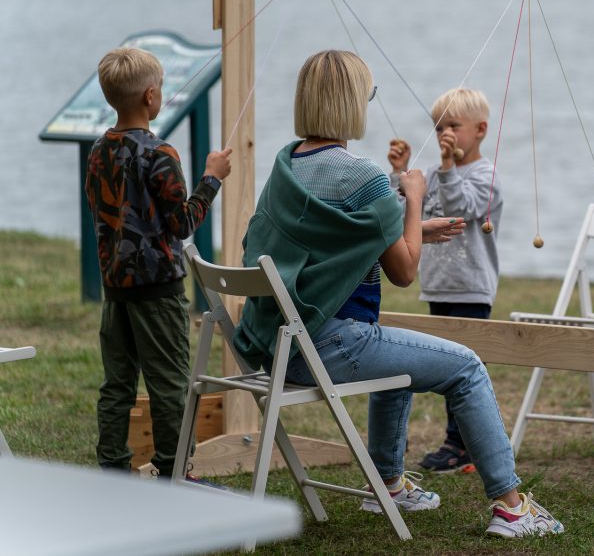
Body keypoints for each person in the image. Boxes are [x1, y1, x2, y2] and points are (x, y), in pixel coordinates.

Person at [231, 50, 562, 538]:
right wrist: (411, 197)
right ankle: (513, 509)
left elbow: (324, 238)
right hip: (332, 345)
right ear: (350, 103)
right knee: (467, 367)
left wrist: (411, 229)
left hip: (282, 347)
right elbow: (404, 271)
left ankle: (388, 484)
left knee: (401, 361)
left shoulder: (287, 165)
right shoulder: (363, 176)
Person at [85, 47, 232, 479]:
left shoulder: (97, 150)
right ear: (151, 96)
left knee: (117, 385)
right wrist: (211, 179)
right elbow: (183, 223)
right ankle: (174, 471)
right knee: (169, 386)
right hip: (158, 292)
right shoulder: (161, 154)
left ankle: (112, 469)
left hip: (116, 291)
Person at [387, 88, 502, 474]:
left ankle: (463, 444)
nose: (444, 134)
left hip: (471, 288)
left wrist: (449, 168)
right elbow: (403, 211)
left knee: (466, 369)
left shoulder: (487, 175)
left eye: (453, 126)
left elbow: (461, 210)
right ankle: (458, 440)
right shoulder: (434, 175)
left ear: (481, 130)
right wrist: (399, 173)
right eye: (439, 127)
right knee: (444, 366)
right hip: (437, 284)